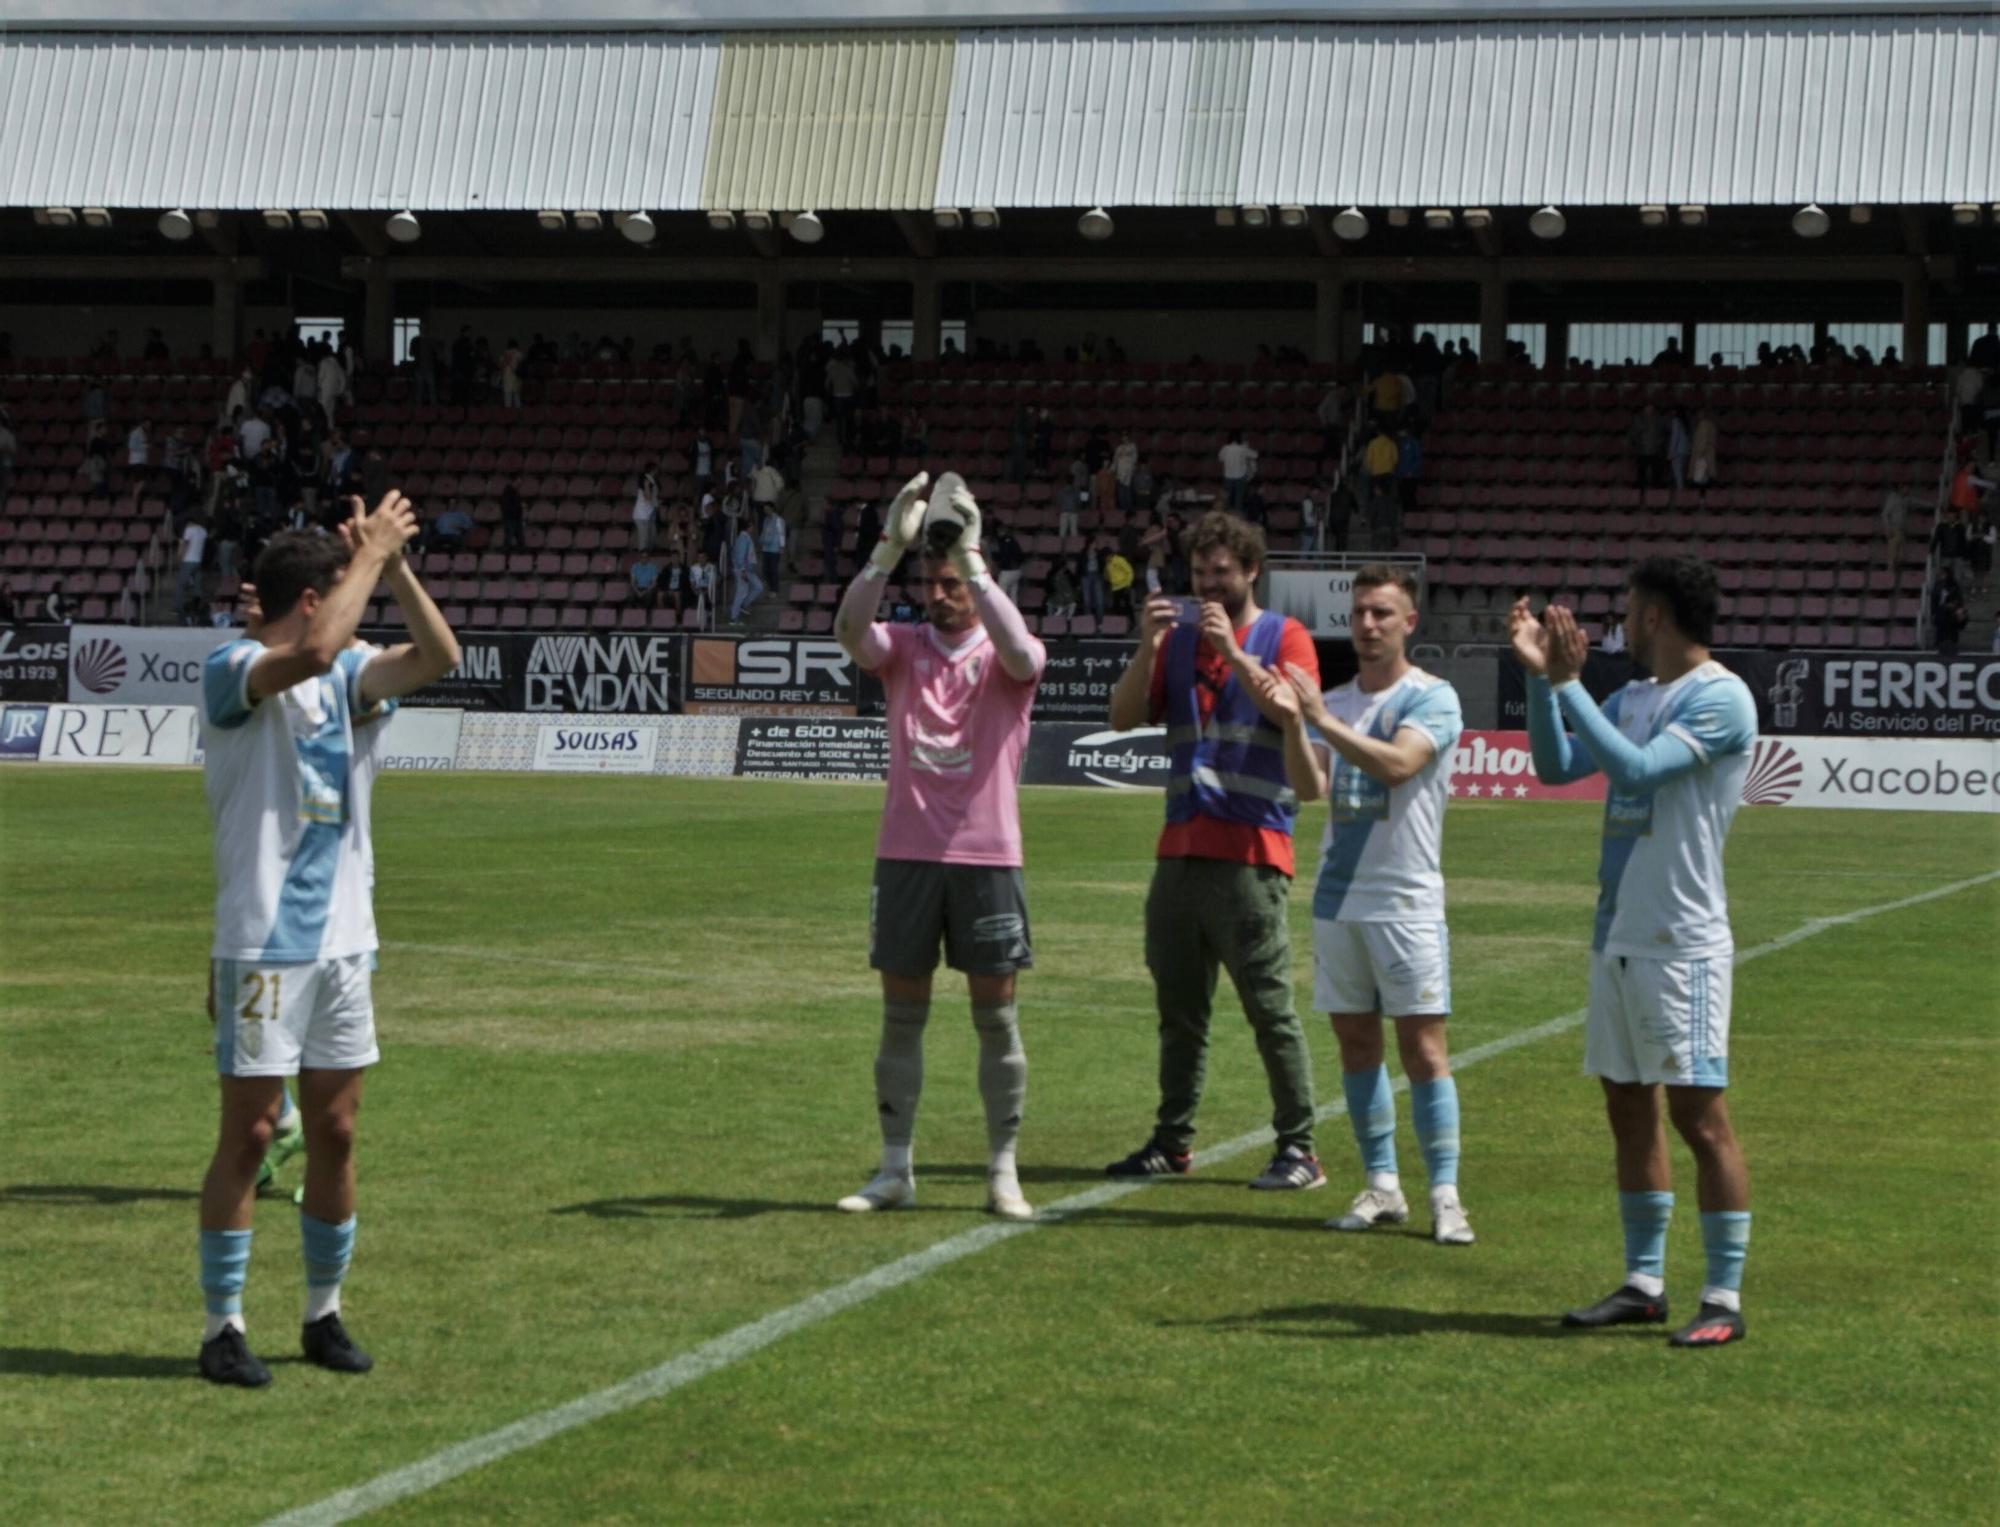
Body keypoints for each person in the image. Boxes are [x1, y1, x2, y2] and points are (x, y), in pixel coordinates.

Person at [193, 493, 462, 1386]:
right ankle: (223, 1324)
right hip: (264, 943)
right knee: (252, 1130)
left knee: (338, 1131)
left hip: (345, 940)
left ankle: (322, 1312)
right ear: (315, 598)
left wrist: (398, 567)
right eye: (346, 595)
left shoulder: (348, 681)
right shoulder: (235, 667)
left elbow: (439, 656)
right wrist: (367, 559)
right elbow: (308, 652)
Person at [1514, 558, 1758, 1348]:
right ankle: (1644, 1283)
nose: (1617, 621)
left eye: (1627, 607)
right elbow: (1556, 767)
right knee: (1627, 1106)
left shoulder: (1719, 696)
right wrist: (1539, 679)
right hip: (1618, 931)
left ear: (1654, 616)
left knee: (1699, 1116)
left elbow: (1638, 770)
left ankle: (1722, 1296)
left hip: (1678, 938)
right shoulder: (1633, 694)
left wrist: (1569, 684)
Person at [832, 472, 1046, 1221]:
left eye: (952, 580)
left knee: (996, 1018)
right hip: (908, 854)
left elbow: (1021, 652)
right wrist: (889, 547)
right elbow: (849, 631)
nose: (941, 591)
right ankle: (896, 1168)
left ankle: (1002, 1170)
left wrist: (976, 559)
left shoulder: (1005, 656)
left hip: (988, 858)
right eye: (934, 579)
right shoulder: (906, 647)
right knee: (901, 1014)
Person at [1103, 511, 1327, 1191]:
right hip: (1181, 844)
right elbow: (1121, 716)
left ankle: (1300, 1147)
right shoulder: (1174, 643)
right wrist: (1147, 646)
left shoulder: (1283, 634)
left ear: (1252, 571)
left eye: (1222, 573)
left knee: (1269, 1008)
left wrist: (1232, 651)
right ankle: (1172, 1141)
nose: (1209, 586)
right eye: (1200, 574)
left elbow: (1296, 704)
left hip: (1252, 847)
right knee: (1180, 1011)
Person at [1280, 565, 1473, 1245]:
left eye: (1382, 613)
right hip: (1338, 899)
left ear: (1409, 622)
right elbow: (1309, 789)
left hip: (1406, 900)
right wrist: (1291, 726)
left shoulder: (1434, 698)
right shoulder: (1334, 700)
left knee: (1423, 1048)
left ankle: (1445, 1193)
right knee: (1357, 1045)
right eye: (1360, 612)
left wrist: (1321, 720)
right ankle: (1382, 1184)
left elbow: (1397, 765)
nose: (1367, 624)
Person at [728, 515, 762, 622]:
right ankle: (734, 617)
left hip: (748, 570)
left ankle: (743, 605)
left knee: (758, 587)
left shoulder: (746, 537)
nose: (753, 528)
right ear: (749, 526)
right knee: (741, 592)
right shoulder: (743, 538)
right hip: (742, 570)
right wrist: (742, 570)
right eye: (752, 526)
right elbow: (740, 556)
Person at [1218, 432, 1257, 512]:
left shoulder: (1225, 448)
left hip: (1228, 477)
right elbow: (1255, 455)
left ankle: (1228, 520)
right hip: (1240, 477)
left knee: (1227, 501)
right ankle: (1237, 520)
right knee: (1238, 502)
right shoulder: (1242, 448)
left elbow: (1220, 459)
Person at [633, 465, 660, 553]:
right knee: (643, 538)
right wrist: (647, 485)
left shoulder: (653, 481)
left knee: (650, 537)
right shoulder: (645, 481)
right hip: (641, 514)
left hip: (649, 513)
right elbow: (648, 498)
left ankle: (649, 556)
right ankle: (642, 558)